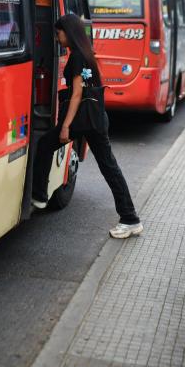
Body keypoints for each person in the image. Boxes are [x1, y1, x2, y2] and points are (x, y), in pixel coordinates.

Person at [32, 14, 143, 239]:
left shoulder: (76, 58)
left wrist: (65, 126)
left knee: (45, 144)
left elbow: (77, 94)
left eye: (59, 33)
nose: (57, 37)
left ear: (68, 32)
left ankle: (40, 196)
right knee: (110, 168)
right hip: (95, 120)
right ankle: (130, 218)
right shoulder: (87, 55)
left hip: (83, 121)